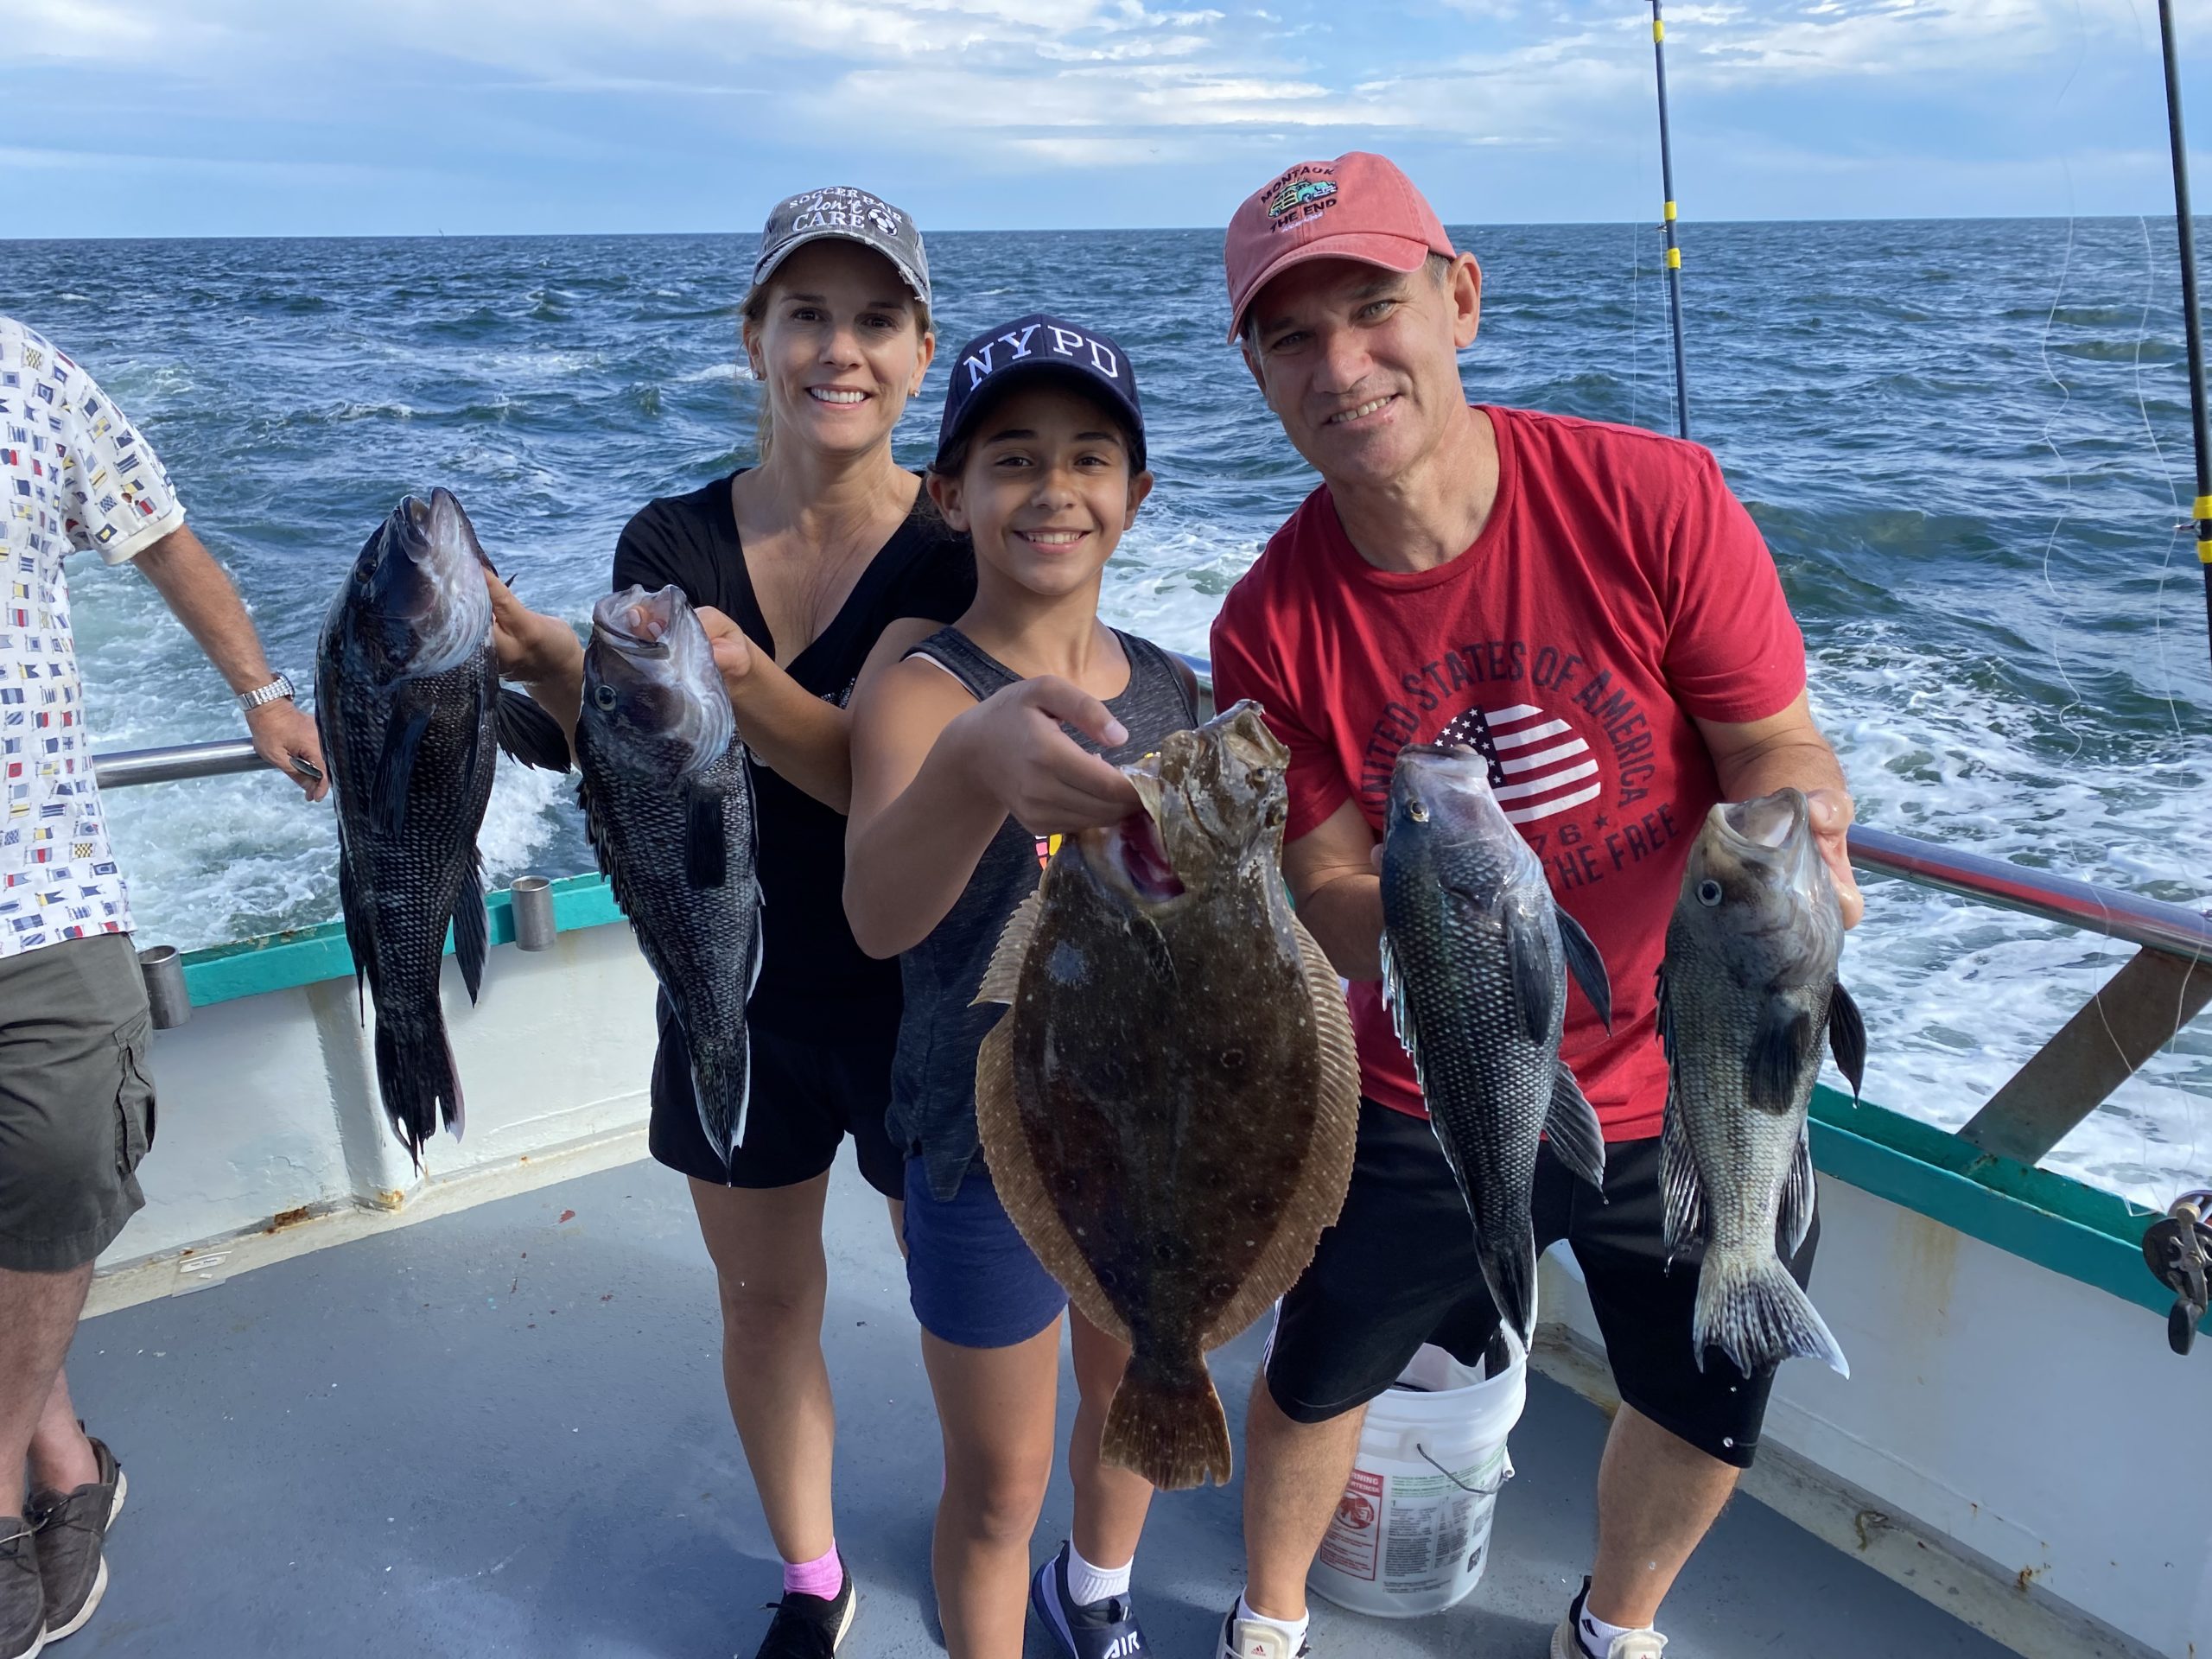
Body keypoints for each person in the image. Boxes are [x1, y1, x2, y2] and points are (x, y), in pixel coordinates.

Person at [1204, 154, 1866, 1659]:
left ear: (1461, 301)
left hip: (1687, 1067)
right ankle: (1271, 1625)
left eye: (1375, 310)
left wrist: (1810, 835)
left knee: (1710, 1385)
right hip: (1425, 1090)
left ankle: (1613, 1626)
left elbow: (1773, 744)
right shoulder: (1266, 623)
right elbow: (1320, 889)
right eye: (1291, 338)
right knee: (1320, 1374)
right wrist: (1451, 915)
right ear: (1252, 367)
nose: (1342, 365)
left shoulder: (1654, 498)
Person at [487, 188, 974, 1658]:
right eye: (806, 316)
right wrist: (551, 673)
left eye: (875, 320)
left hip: (921, 996)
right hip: (729, 992)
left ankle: (984, 1535)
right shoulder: (671, 536)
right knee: (766, 1302)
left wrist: (732, 680)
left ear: (920, 350)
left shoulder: (957, 550)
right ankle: (813, 1574)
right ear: (751, 338)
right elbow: (639, 766)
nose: (841, 349)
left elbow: (872, 769)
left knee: (961, 1308)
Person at [843, 315, 1198, 1659]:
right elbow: (879, 917)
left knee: (1133, 1389)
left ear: (1136, 496)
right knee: (997, 1480)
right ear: (951, 493)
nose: (1053, 489)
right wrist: (972, 769)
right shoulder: (919, 689)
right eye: (1011, 459)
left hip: (1151, 1145)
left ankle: (1093, 1592)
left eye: (1090, 457)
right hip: (981, 1145)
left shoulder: (1176, 690)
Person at [0, 315, 327, 1659]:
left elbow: (161, 531)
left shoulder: (25, 372)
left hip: (41, 880)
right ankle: (63, 1461)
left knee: (65, 1161)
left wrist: (260, 691)